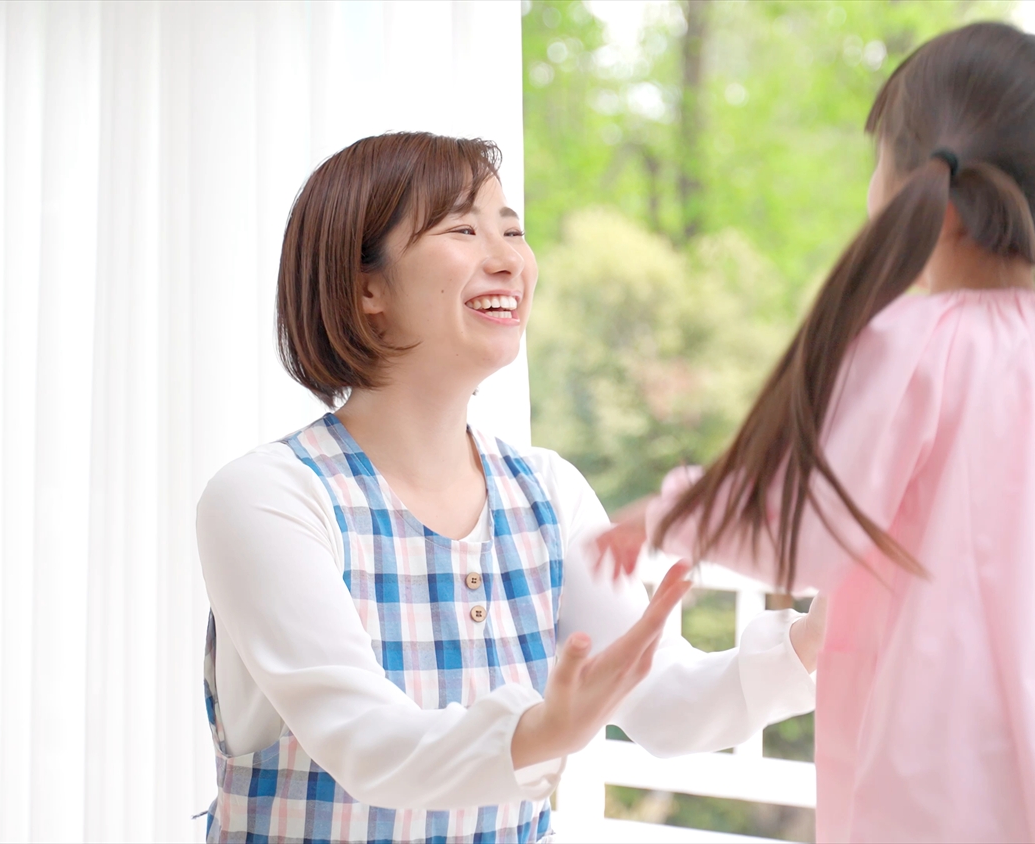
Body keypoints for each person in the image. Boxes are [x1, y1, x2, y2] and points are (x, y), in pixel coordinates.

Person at [599, 22, 1035, 843]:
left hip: (960, 764)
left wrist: (670, 514)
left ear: (925, 190)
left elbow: (803, 534)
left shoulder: (912, 343)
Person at [195, 132, 822, 844]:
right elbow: (365, 742)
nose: (509, 260)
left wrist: (814, 638)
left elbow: (664, 704)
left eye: (513, 231)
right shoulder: (269, 497)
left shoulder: (548, 493)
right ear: (366, 288)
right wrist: (541, 731)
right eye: (463, 230)